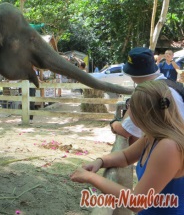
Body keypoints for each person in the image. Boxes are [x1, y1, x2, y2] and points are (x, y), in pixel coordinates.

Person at [71, 80, 184, 214]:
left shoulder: (168, 147)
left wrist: (90, 177)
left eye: (130, 106)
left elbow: (138, 201)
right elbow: (125, 157)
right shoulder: (153, 136)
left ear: (142, 114)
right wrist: (100, 161)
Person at [110, 47, 184, 145]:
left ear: (132, 74)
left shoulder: (144, 94)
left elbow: (125, 131)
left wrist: (113, 123)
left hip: (168, 150)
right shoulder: (173, 85)